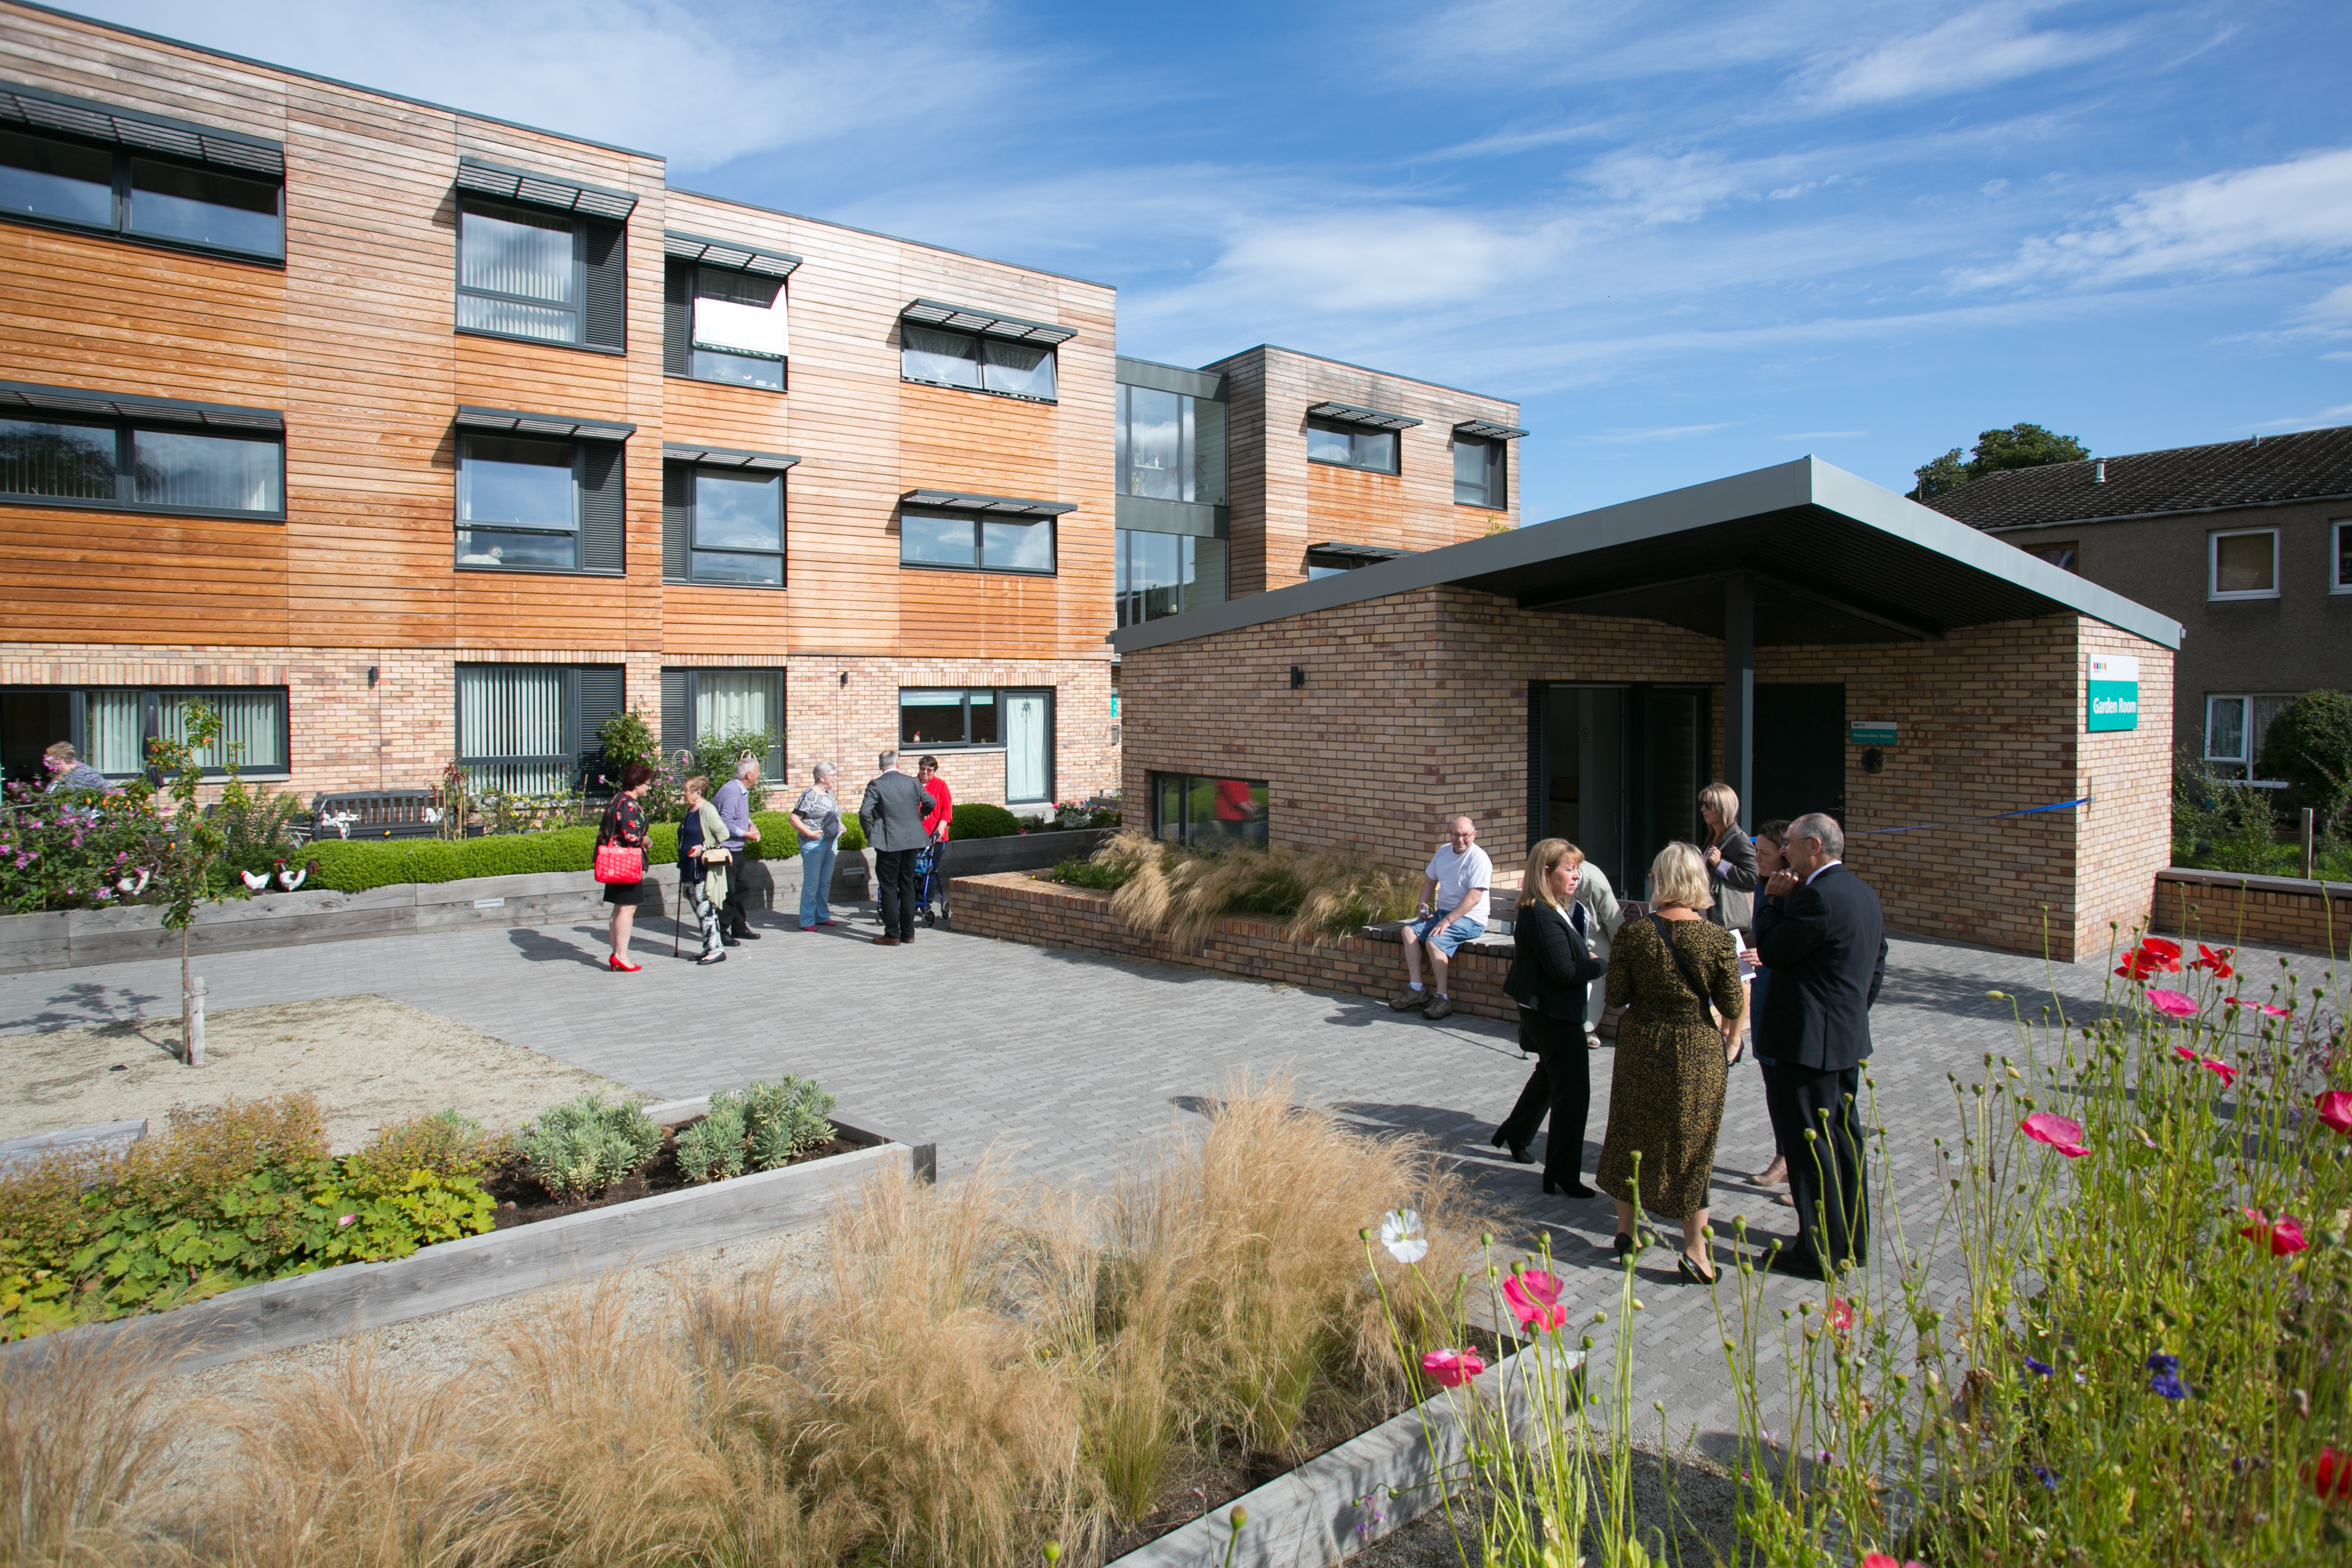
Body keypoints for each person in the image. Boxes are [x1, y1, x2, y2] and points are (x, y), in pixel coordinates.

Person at [1595, 842, 1747, 1284]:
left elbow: (1616, 996)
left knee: (1630, 1130)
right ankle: (1695, 1251)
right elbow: (1732, 1002)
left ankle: (1625, 1232)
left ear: (1659, 880)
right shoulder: (1717, 938)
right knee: (1691, 1144)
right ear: (1699, 881)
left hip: (1641, 1041)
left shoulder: (1634, 933)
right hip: (1696, 1048)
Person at [1755, 812, 1886, 1279]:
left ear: (1814, 846)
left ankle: (1817, 1253)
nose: (1783, 851)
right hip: (1844, 1040)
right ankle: (1852, 1240)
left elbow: (1771, 950)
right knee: (1845, 1143)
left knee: (1811, 1149)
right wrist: (1851, 1013)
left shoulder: (1814, 899)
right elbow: (1877, 963)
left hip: (1807, 1045)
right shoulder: (1862, 892)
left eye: (1789, 844)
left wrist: (1772, 903)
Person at [1493, 840, 1610, 1197]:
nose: (1576, 876)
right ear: (1546, 873)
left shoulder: (1554, 907)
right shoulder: (1540, 913)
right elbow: (1563, 971)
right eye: (1568, 869)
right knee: (1573, 1094)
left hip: (1550, 1010)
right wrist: (1599, 965)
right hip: (1552, 1014)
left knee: (1549, 1075)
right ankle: (1561, 1172)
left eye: (1577, 869)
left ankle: (1515, 1133)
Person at [1388, 815, 1491, 1022]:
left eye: (1465, 835)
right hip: (1443, 913)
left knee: (1435, 942)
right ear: (1450, 834)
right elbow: (1429, 882)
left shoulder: (1479, 859)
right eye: (1455, 835)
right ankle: (1417, 989)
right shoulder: (1443, 852)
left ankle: (1443, 999)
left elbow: (1474, 898)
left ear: (1475, 835)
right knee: (1408, 932)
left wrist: (1447, 921)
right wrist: (1423, 904)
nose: (1460, 840)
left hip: (1471, 919)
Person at [1744, 820, 1797, 1202]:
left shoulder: (1797, 890)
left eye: (1762, 853)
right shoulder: (1766, 887)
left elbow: (1793, 944)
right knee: (1771, 1079)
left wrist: (1769, 953)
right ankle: (1784, 1154)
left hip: (1788, 1000)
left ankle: (1802, 1169)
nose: (1756, 859)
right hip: (1763, 993)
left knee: (1793, 1087)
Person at [859, 750, 932, 946]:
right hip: (911, 841)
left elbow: (864, 813)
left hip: (888, 842)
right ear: (897, 763)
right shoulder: (912, 782)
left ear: (880, 765)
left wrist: (871, 833)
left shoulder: (876, 784)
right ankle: (908, 933)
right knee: (907, 885)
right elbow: (930, 802)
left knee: (889, 887)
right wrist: (920, 815)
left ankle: (892, 934)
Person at [596, 761, 656, 973]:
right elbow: (633, 837)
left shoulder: (616, 799)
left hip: (614, 862)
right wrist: (647, 841)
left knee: (618, 907)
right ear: (637, 783)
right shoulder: (628, 804)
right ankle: (622, 955)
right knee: (627, 909)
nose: (649, 788)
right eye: (647, 784)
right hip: (626, 864)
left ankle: (616, 954)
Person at [675, 776, 732, 965]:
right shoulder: (690, 810)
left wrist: (703, 846)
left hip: (702, 870)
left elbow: (724, 833)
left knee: (706, 910)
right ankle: (709, 946)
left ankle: (717, 950)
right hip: (688, 869)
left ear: (698, 793)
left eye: (686, 791)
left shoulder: (707, 809)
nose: (684, 794)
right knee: (699, 910)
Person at [1572, 856, 1623, 1047]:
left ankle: (1588, 1028)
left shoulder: (1596, 883)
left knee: (1598, 964)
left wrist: (1622, 956)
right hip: (1569, 935)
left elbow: (1614, 922)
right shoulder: (1553, 876)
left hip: (1596, 937)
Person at [712, 757, 763, 946]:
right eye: (757, 771)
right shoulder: (733, 792)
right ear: (748, 775)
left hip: (737, 849)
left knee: (741, 889)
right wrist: (746, 835)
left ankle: (739, 927)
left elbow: (741, 816)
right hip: (727, 850)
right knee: (728, 892)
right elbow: (725, 824)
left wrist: (752, 826)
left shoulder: (741, 791)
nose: (759, 775)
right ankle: (722, 931)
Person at [791, 762, 843, 931]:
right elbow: (794, 818)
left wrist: (840, 825)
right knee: (812, 882)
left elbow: (833, 814)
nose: (836, 778)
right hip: (813, 843)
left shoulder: (830, 794)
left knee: (825, 881)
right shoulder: (809, 795)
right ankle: (807, 920)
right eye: (833, 775)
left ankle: (822, 915)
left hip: (831, 842)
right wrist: (810, 833)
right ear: (822, 778)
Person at [1699, 783, 1758, 931]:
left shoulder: (1738, 840)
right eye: (1703, 804)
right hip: (1709, 916)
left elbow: (1755, 878)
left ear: (1723, 808)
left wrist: (1721, 865)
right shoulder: (1713, 836)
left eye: (1708, 805)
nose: (1703, 809)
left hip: (1727, 922)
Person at [42, 742, 109, 794]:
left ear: (61, 758)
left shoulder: (84, 773)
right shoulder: (59, 774)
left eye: (50, 757)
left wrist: (94, 810)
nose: (47, 759)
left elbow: (109, 790)